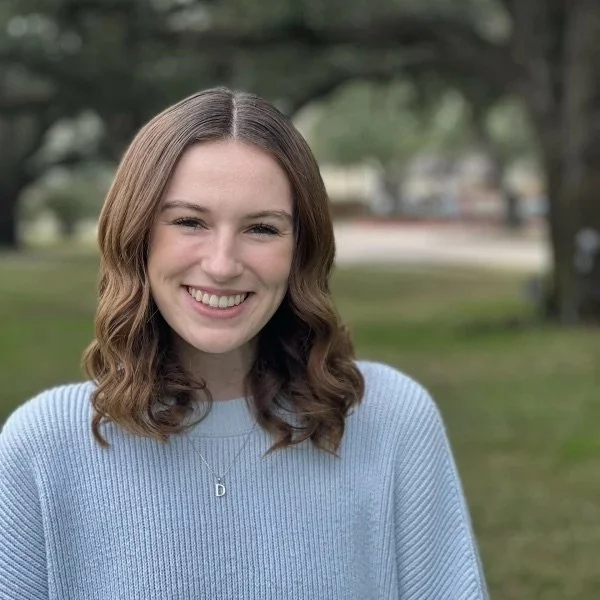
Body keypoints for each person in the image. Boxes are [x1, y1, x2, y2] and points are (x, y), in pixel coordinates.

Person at [0, 88, 488, 599]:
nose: (223, 264)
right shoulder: (43, 447)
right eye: (189, 222)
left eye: (261, 228)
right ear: (137, 234)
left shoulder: (392, 420)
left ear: (301, 249)